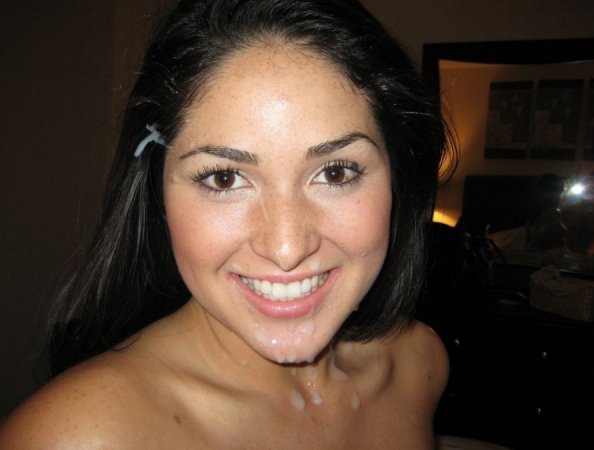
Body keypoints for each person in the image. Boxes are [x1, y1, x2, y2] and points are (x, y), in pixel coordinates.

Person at [0, 0, 450, 448]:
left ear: (397, 176)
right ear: (158, 192)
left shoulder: (417, 365)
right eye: (225, 178)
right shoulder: (77, 437)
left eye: (335, 173)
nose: (287, 248)